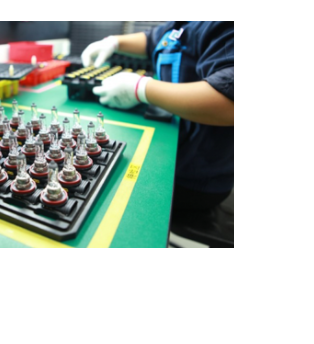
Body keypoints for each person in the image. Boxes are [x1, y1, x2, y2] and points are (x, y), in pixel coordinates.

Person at [82, 21, 234, 213]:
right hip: (175, 151)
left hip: (196, 179)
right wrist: (114, 41)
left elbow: (230, 100)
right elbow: (154, 38)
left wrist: (141, 88)